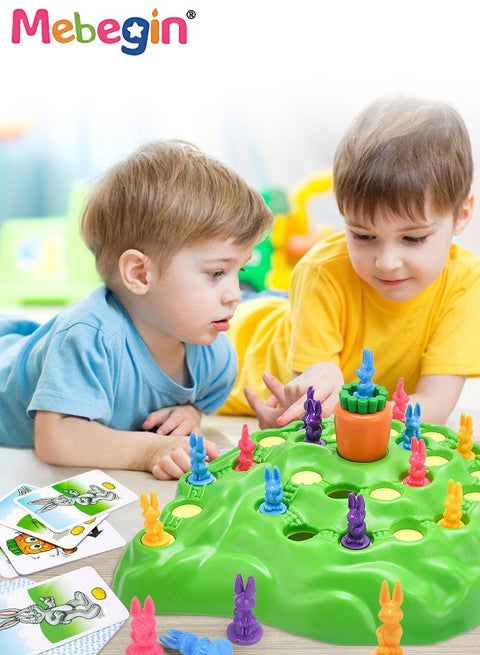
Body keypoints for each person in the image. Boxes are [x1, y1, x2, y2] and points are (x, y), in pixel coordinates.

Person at [0, 140, 273, 479]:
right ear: (140, 274)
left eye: (239, 271)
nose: (235, 294)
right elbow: (56, 438)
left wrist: (189, 413)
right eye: (216, 273)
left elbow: (194, 405)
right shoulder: (89, 336)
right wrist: (150, 449)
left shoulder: (213, 356)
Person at [221, 95, 480, 428]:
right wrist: (344, 403)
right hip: (234, 344)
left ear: (462, 214)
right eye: (363, 236)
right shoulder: (321, 272)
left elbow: (433, 405)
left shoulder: (466, 283)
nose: (386, 263)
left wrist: (362, 418)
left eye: (413, 239)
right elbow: (315, 408)